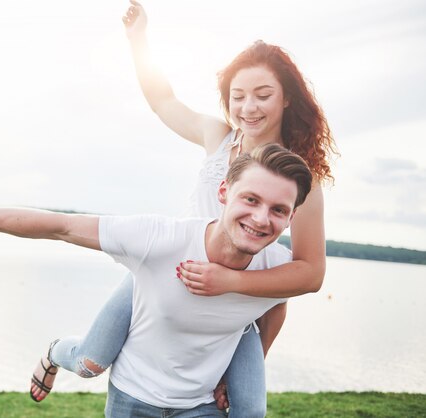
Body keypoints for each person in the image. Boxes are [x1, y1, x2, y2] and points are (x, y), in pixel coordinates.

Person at [28, 1, 338, 416]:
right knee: (89, 361)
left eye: (263, 95)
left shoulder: (303, 180)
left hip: (238, 301)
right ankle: (53, 352)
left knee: (248, 410)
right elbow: (163, 100)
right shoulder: (218, 136)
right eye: (238, 96)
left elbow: (310, 271)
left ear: (286, 99)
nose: (249, 108)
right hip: (167, 275)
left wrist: (228, 281)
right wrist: (139, 39)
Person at [0, 144, 313, 417]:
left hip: (199, 408)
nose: (261, 219)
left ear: (291, 217)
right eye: (250, 200)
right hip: (132, 399)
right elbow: (57, 226)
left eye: (278, 210)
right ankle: (54, 352)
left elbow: (278, 303)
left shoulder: (279, 268)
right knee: (88, 363)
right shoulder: (160, 239)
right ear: (224, 193)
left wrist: (234, 379)